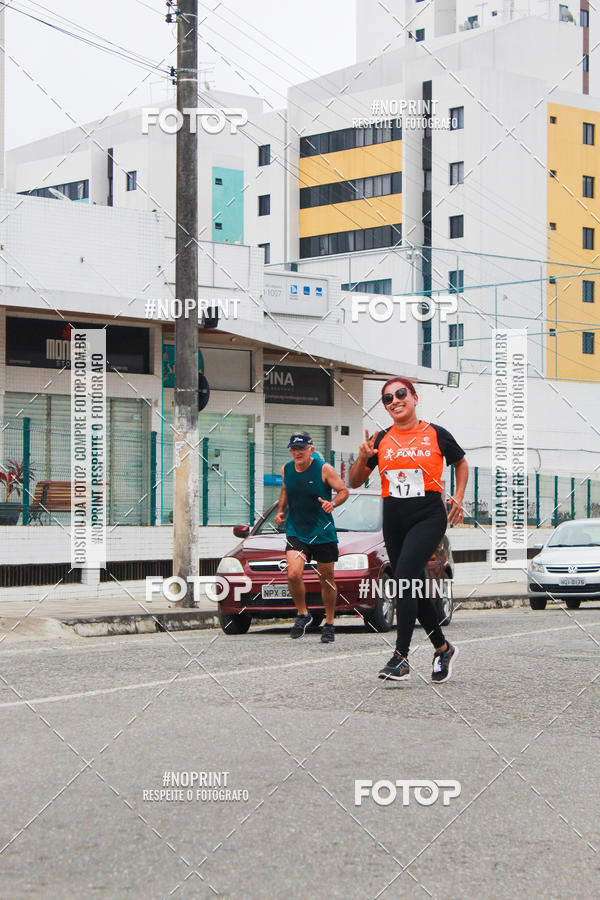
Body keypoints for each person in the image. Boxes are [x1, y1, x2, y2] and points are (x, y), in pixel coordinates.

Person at [349, 377, 468, 682]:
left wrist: (458, 495)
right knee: (412, 584)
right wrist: (364, 457)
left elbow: (461, 462)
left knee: (403, 579)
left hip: (428, 515)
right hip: (395, 517)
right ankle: (442, 648)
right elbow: (353, 481)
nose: (395, 401)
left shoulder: (436, 434)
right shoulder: (380, 438)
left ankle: (400, 657)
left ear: (415, 397)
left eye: (401, 394)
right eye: (388, 398)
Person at [274, 432, 349, 642]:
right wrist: (280, 511)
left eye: (302, 449)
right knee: (293, 574)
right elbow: (285, 490)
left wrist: (332, 503)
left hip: (323, 531)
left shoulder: (324, 469)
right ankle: (302, 613)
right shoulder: (286, 469)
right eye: (294, 449)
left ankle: (330, 622)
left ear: (311, 450)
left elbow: (343, 490)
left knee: (326, 579)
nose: (297, 452)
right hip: (297, 530)